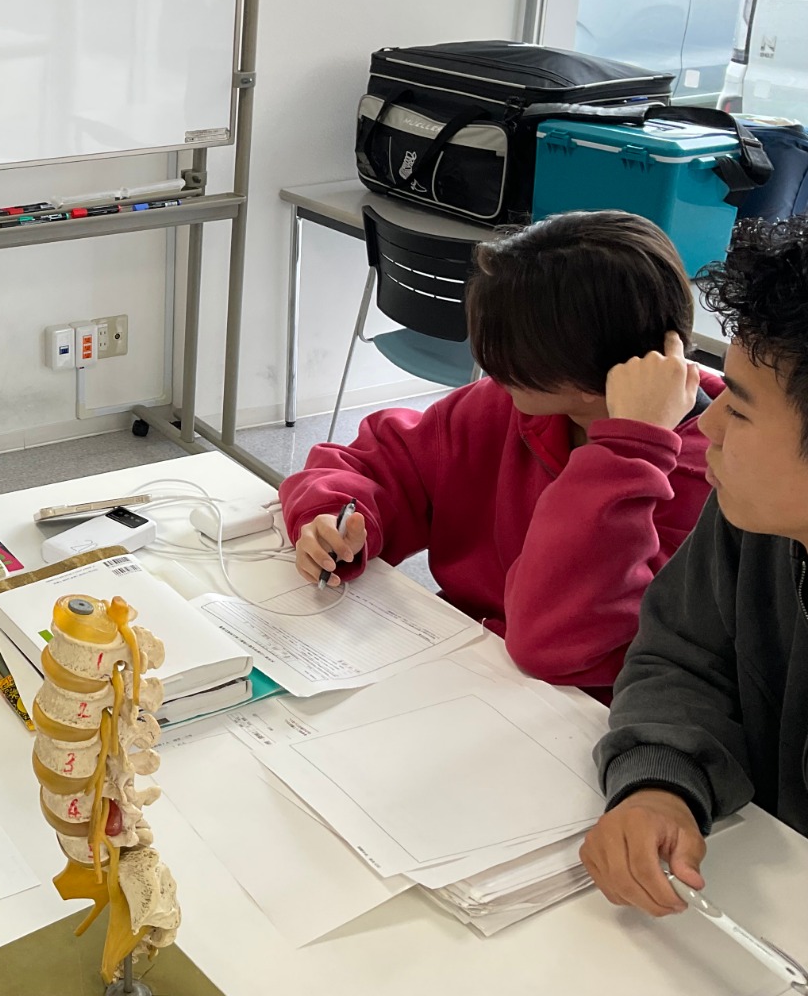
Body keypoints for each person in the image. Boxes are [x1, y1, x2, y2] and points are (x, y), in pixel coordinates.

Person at [278, 211, 721, 694]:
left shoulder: (715, 471)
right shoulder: (512, 403)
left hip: (584, 705)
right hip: (467, 661)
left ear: (587, 372)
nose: (489, 364)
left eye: (514, 354)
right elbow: (378, 463)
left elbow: (560, 644)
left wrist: (628, 452)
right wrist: (333, 513)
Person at [582, 216, 808, 917]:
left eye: (738, 411)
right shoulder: (757, 515)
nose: (705, 424)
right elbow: (681, 655)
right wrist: (661, 781)